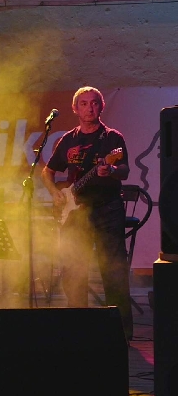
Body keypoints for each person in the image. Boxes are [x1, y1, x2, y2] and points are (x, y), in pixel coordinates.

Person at [42, 86, 132, 341]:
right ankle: (78, 329)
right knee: (73, 270)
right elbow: (48, 171)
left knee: (113, 272)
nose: (89, 108)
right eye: (84, 103)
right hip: (75, 214)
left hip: (107, 210)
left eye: (94, 103)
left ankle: (121, 335)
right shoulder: (68, 140)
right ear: (75, 108)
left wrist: (111, 170)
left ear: (101, 107)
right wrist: (55, 192)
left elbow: (124, 170)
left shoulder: (112, 138)